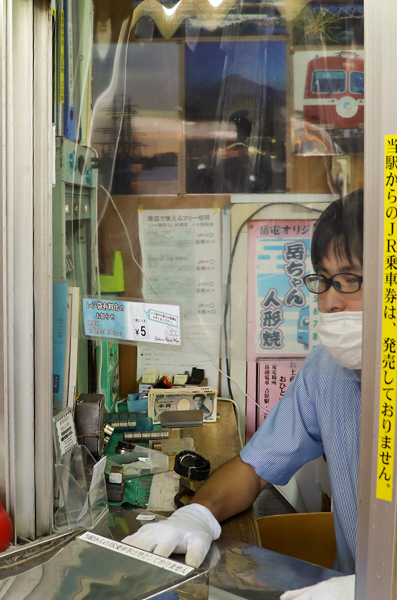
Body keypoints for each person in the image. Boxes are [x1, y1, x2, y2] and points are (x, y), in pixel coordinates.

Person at [124, 190, 365, 600]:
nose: (328, 301)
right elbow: (254, 468)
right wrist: (197, 514)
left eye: (349, 280)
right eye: (322, 280)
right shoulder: (326, 370)